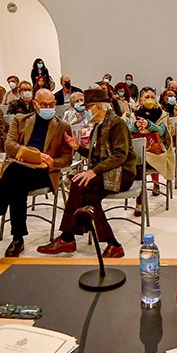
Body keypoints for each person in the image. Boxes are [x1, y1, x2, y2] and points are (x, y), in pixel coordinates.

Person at [0, 89, 76, 257]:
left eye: (52, 104)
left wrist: (51, 162)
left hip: (44, 173)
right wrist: (35, 155)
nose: (49, 107)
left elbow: (67, 158)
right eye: (45, 105)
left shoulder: (63, 126)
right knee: (17, 181)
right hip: (20, 169)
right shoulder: (20, 120)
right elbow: (9, 145)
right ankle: (16, 238)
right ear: (35, 104)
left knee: (12, 175)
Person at [35, 88, 138, 259]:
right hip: (108, 171)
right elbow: (98, 154)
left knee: (80, 183)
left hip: (123, 173)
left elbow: (120, 155)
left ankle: (68, 238)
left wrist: (93, 172)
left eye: (88, 107)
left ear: (98, 107)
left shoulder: (117, 124)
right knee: (86, 192)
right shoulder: (99, 125)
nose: (86, 111)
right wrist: (78, 148)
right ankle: (112, 244)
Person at [128, 87, 175, 215]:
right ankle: (140, 199)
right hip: (139, 152)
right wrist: (136, 126)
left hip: (157, 151)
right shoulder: (133, 115)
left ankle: (140, 201)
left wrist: (149, 125)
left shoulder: (163, 114)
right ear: (141, 100)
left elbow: (162, 131)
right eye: (146, 97)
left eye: (152, 97)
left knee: (140, 162)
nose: (149, 100)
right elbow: (128, 130)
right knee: (138, 161)